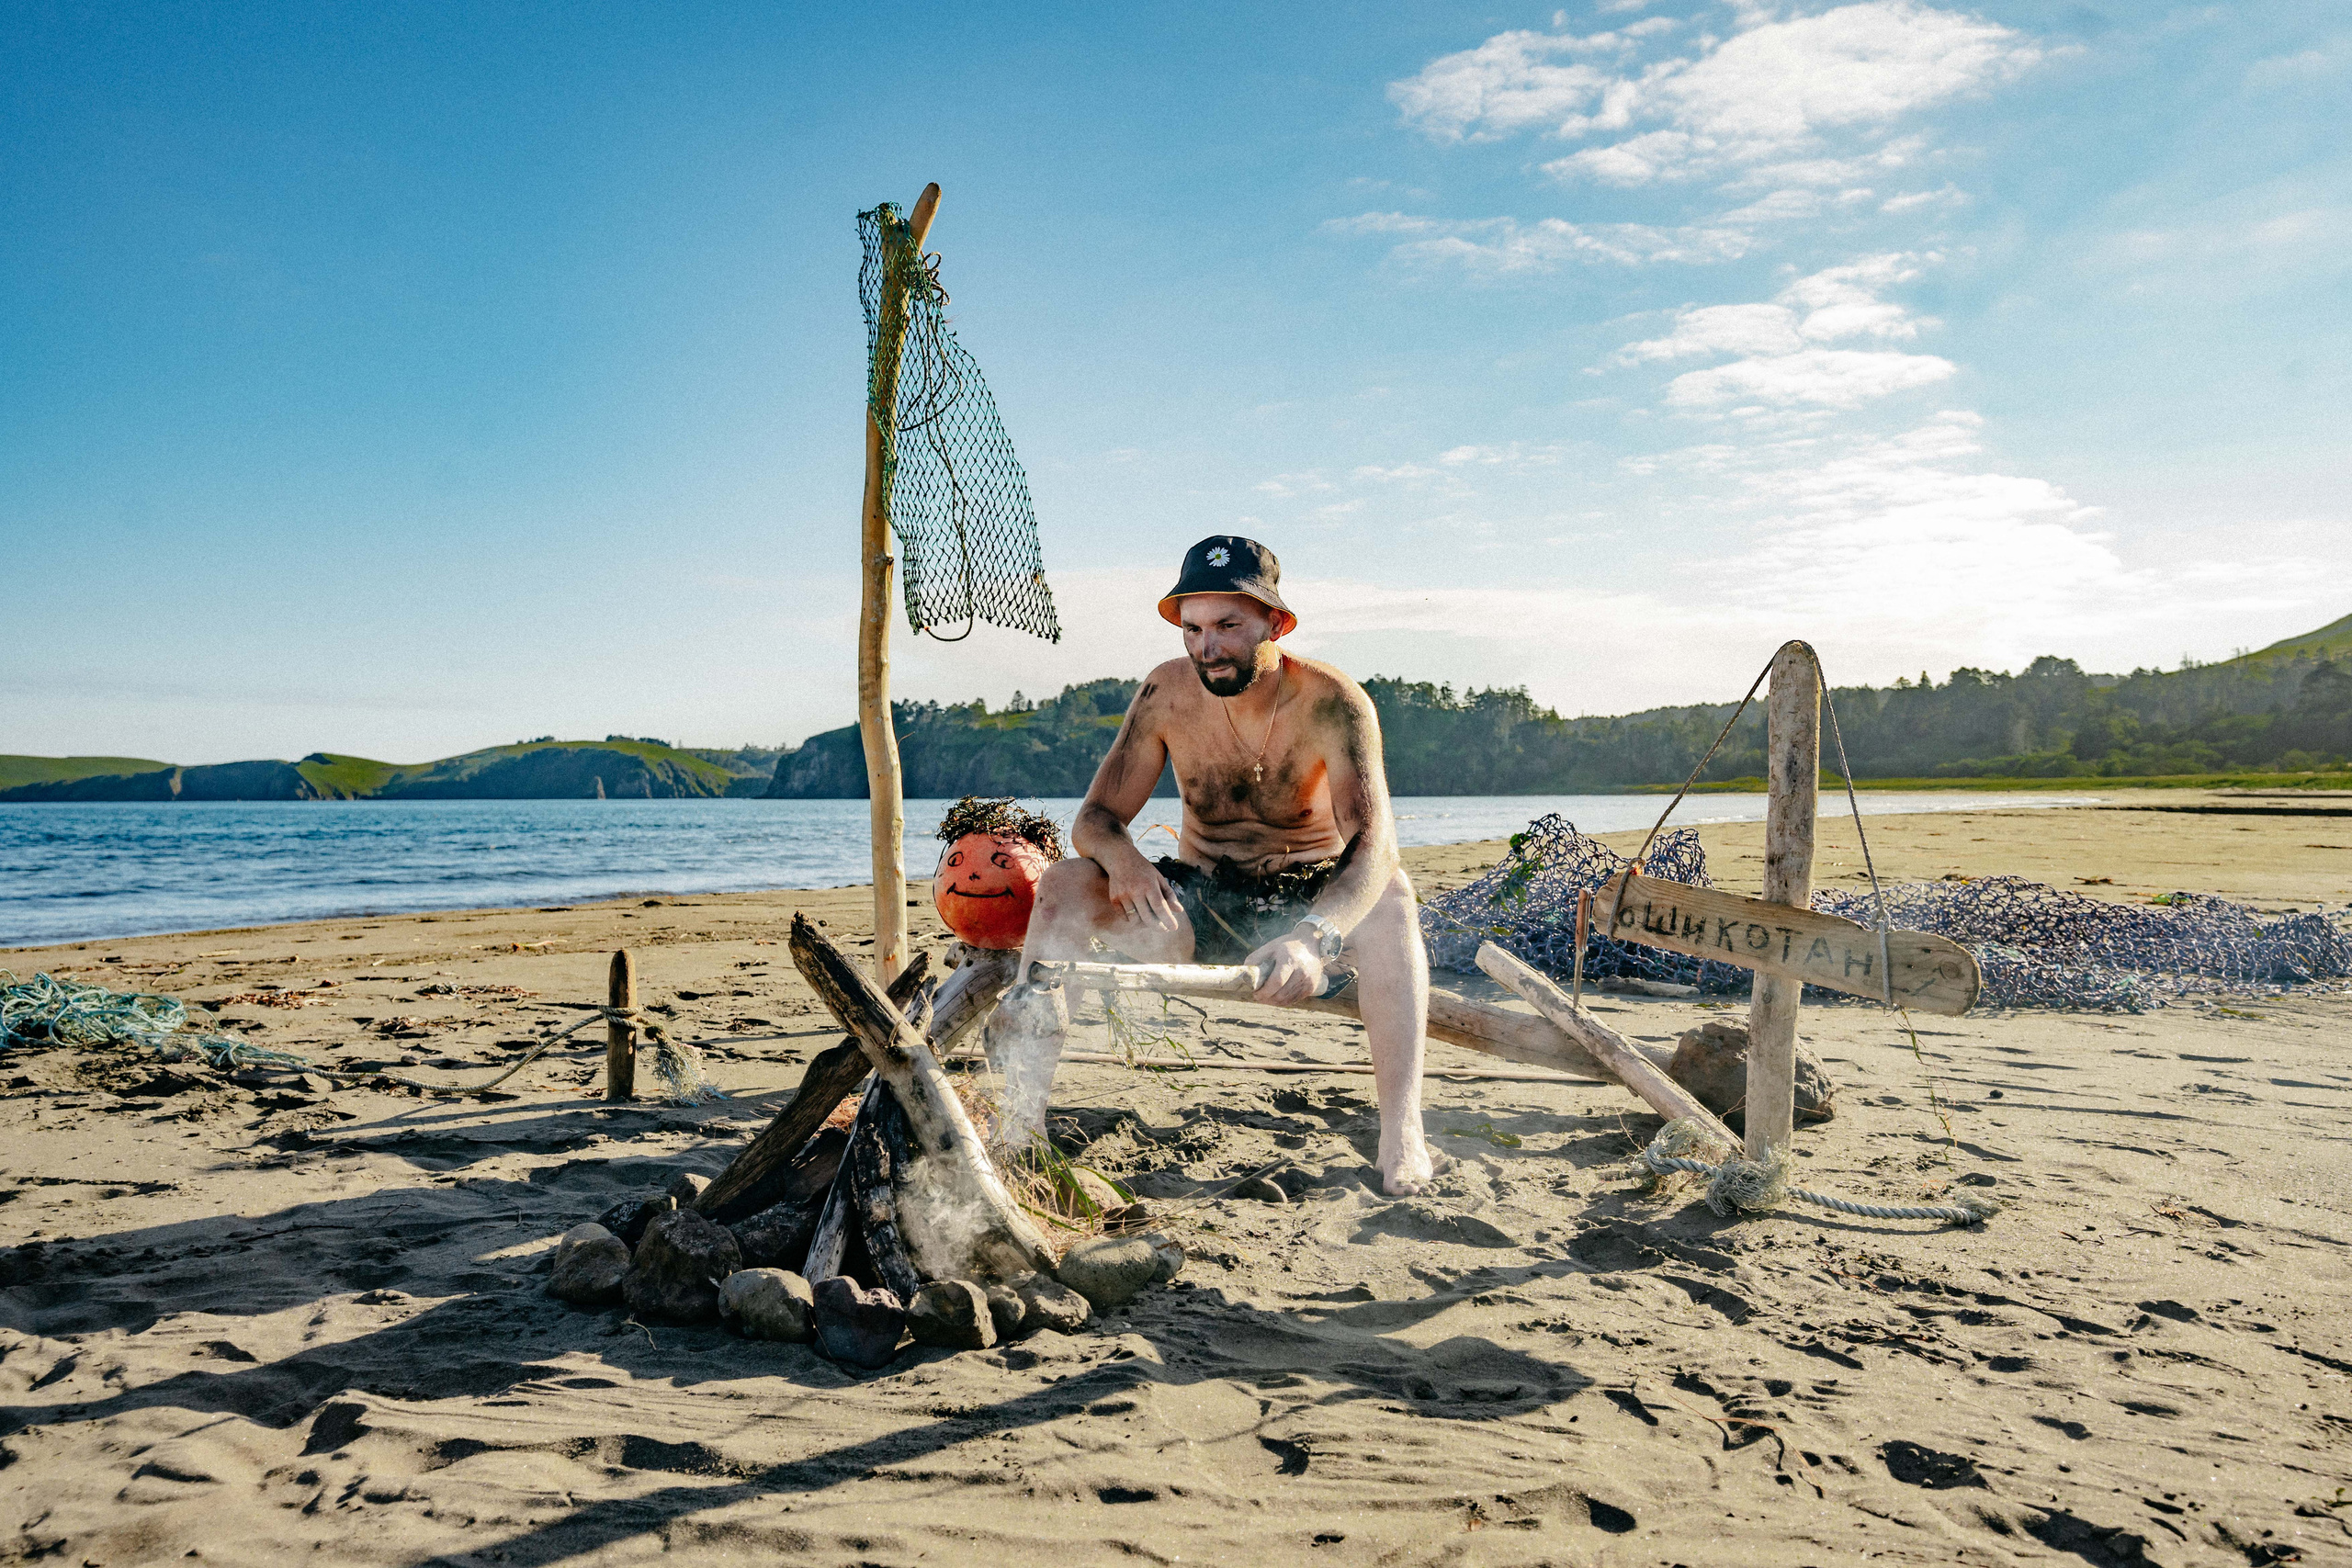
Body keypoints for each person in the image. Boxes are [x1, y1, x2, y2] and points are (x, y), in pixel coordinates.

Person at [1006, 536, 1435, 1195]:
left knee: (1395, 896)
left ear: (1276, 622)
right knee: (1064, 882)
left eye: (1229, 626)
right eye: (1194, 629)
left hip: (1303, 906)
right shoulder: (1165, 693)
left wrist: (1313, 936)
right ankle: (1022, 1122)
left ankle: (1402, 1132)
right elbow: (1094, 819)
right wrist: (1123, 861)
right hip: (1195, 900)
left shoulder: (1334, 702)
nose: (1208, 647)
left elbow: (1375, 847)